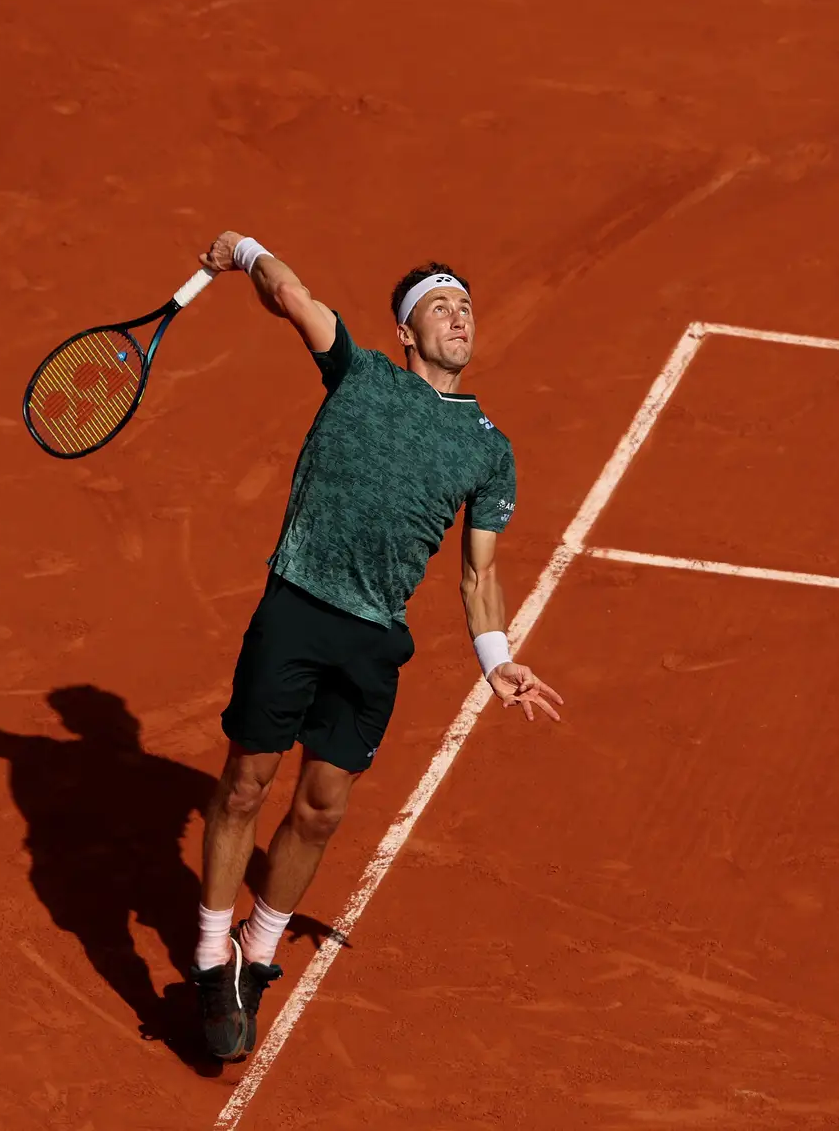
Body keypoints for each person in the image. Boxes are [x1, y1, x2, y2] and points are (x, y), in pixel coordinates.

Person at [188, 231, 565, 1062]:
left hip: (372, 641)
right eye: (440, 305)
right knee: (247, 785)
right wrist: (243, 250)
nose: (459, 316)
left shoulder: (488, 450)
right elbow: (291, 294)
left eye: (466, 305)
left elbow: (479, 574)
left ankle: (259, 949)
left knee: (320, 807)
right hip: (297, 609)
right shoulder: (357, 373)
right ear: (405, 330)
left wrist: (498, 659)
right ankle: (213, 959)